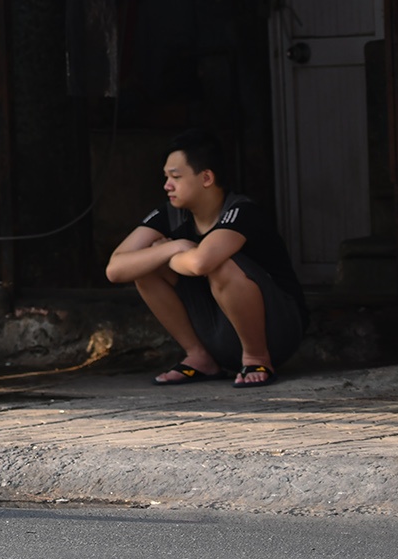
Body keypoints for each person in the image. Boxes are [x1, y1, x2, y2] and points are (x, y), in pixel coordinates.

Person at [105, 130, 305, 389]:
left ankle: (257, 358)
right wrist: (171, 248)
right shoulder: (169, 214)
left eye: (176, 177)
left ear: (207, 177)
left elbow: (202, 262)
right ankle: (199, 357)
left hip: (276, 331)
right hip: (218, 333)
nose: (167, 185)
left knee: (221, 265)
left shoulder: (241, 211)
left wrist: (171, 254)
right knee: (143, 267)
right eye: (166, 177)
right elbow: (116, 269)